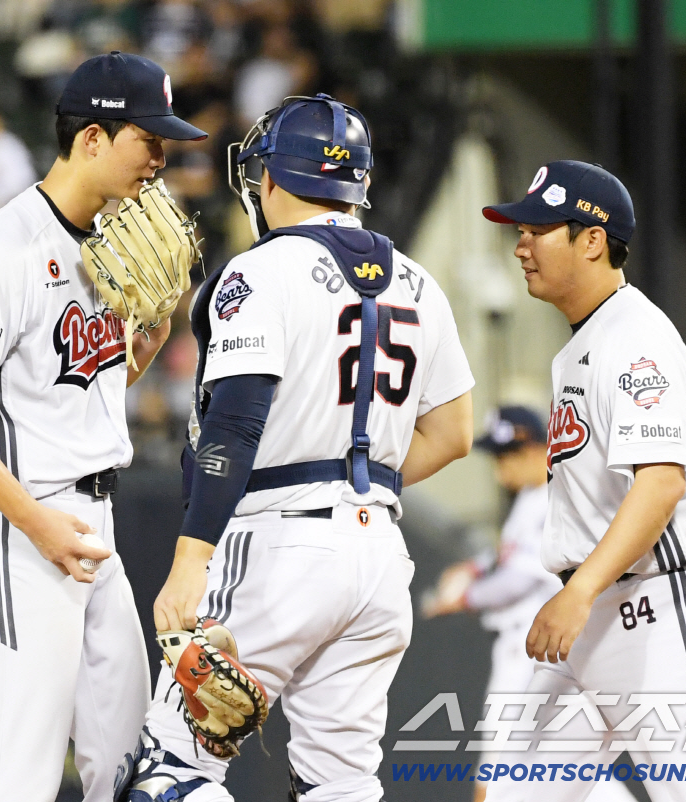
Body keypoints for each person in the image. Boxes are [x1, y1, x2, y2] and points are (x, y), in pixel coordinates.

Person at [117, 93, 475, 801]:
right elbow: (455, 434)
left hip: (277, 542)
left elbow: (236, 422)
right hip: (378, 555)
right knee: (339, 786)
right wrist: (359, 479)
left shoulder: (263, 269)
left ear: (272, 179)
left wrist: (191, 560)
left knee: (171, 770)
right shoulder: (419, 283)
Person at [0, 51, 207, 802]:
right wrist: (34, 522)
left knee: (124, 761)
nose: (161, 159)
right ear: (94, 139)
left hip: (90, 521)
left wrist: (146, 344)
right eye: (149, 139)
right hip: (22, 524)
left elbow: (68, 388)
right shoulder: (3, 249)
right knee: (24, 772)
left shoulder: (110, 245)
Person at [480, 160, 686, 800]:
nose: (521, 243)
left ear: (592, 239)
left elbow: (660, 485)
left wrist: (580, 594)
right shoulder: (581, 345)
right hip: (595, 618)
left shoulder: (637, 338)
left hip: (662, 606)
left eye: (539, 228)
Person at [425, 406, 636, 802]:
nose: (501, 468)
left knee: (500, 776)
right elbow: (510, 557)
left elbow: (519, 579)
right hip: (538, 649)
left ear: (540, 450)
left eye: (511, 456)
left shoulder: (555, 500)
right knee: (559, 768)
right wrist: (474, 566)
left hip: (534, 652)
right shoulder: (532, 498)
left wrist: (463, 598)